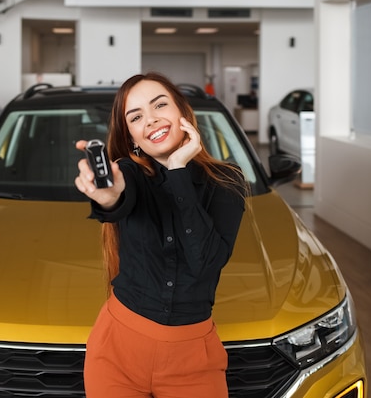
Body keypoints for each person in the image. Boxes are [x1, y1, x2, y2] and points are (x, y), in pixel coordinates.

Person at [74, 72, 247, 398]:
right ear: (132, 136)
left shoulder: (226, 181)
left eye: (159, 105)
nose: (150, 120)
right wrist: (107, 195)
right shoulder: (130, 172)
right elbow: (117, 195)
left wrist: (178, 169)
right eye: (136, 117)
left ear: (182, 112)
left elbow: (206, 263)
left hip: (193, 358)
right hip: (117, 350)